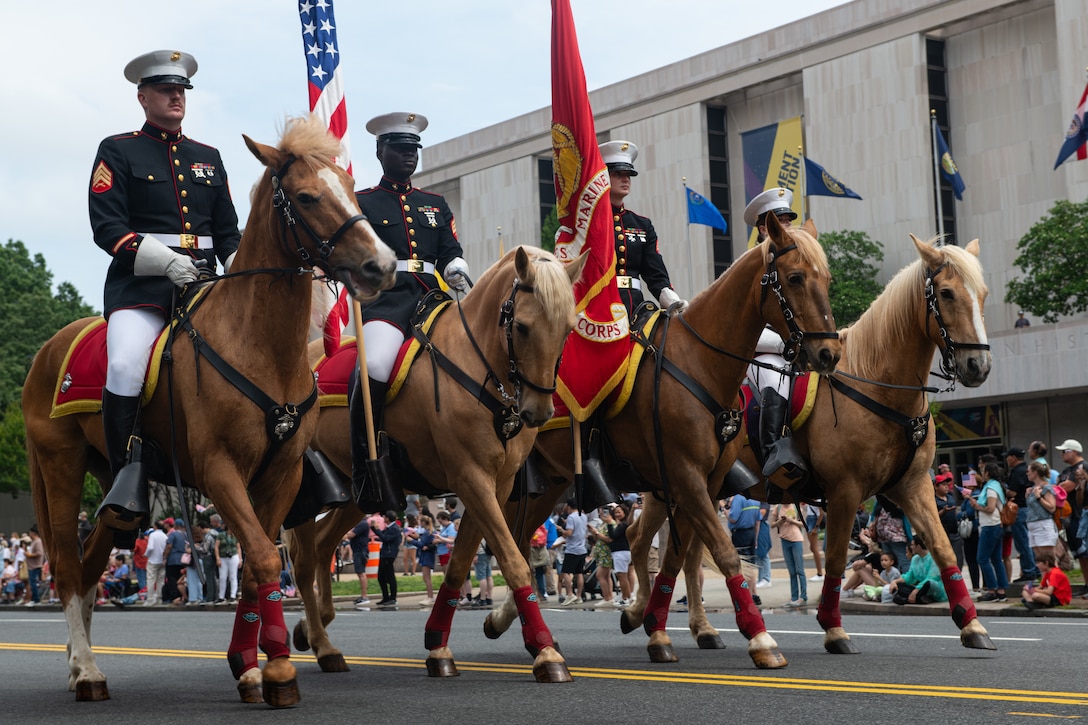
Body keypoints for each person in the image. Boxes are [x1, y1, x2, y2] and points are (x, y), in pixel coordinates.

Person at [90, 51, 241, 516]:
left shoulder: (208, 158)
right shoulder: (117, 150)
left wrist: (238, 271)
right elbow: (108, 228)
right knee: (124, 366)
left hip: (205, 286)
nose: (176, 96)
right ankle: (126, 479)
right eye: (165, 89)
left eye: (181, 90)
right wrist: (165, 262)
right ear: (143, 96)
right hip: (141, 290)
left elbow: (228, 233)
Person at [349, 113, 469, 497]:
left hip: (432, 298)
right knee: (375, 364)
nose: (408, 156)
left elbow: (450, 249)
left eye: (413, 149)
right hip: (386, 301)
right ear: (380, 151)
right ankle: (368, 462)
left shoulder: (434, 203)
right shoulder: (362, 202)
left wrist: (454, 267)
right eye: (400, 149)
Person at [743, 188, 806, 481]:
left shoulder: (796, 261)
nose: (787, 227)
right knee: (775, 378)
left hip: (798, 346)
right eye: (779, 221)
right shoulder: (750, 266)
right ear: (763, 228)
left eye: (788, 221)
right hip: (761, 351)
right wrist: (784, 344)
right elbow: (740, 324)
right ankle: (773, 453)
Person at [598, 140, 686, 317]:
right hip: (599, 307)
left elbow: (655, 273)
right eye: (618, 174)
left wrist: (671, 299)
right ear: (604, 177)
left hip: (636, 308)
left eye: (628, 174)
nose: (625, 179)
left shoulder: (642, 225)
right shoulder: (591, 222)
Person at [968, 462, 1009, 602]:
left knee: (982, 558)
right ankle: (1001, 591)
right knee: (997, 559)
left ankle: (992, 590)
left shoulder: (991, 487)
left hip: (990, 525)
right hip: (996, 525)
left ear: (988, 473)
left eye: (983, 471)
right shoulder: (996, 485)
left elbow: (990, 508)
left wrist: (976, 506)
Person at [1055, 440, 1088, 594]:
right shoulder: (1067, 470)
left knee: (1085, 551)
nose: (1062, 454)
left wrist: (1061, 485)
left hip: (1081, 514)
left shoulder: (1083, 467)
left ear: (1075, 451)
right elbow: (1059, 486)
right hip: (1070, 516)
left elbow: (1066, 487)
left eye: (1065, 451)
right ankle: (1086, 584)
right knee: (1079, 553)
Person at [1003, 446, 1039, 583]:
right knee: (1028, 541)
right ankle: (1034, 569)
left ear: (1014, 457)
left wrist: (1004, 490)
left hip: (1019, 509)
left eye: (1008, 456)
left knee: (1022, 542)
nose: (1007, 459)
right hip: (1027, 509)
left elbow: (1012, 492)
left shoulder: (1017, 472)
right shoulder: (1026, 469)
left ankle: (1029, 571)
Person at [884, 535, 947, 605]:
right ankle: (920, 599)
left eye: (912, 545)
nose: (911, 547)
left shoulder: (933, 558)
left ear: (918, 546)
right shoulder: (915, 559)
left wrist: (916, 590)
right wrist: (895, 581)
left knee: (929, 583)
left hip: (934, 589)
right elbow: (909, 576)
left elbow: (932, 578)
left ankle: (908, 599)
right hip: (920, 590)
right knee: (899, 586)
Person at [771, 503, 808, 608]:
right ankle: (794, 597)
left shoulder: (796, 507)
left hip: (796, 539)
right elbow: (772, 525)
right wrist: (780, 521)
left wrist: (791, 521)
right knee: (791, 571)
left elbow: (803, 524)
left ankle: (803, 596)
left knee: (799, 569)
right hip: (784, 539)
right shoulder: (778, 508)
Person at [1024, 461, 1059, 565]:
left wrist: (1039, 497)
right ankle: (1046, 581)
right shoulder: (1033, 488)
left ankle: (1056, 580)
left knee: (1049, 560)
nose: (1027, 473)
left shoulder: (1045, 487)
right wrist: (1028, 497)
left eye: (1028, 471)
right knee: (1040, 562)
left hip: (1043, 524)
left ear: (1035, 472)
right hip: (1032, 526)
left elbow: (1052, 507)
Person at [559, 500, 588, 605]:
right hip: (582, 548)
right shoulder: (583, 516)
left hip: (572, 549)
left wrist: (562, 530)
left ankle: (570, 594)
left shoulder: (571, 517)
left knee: (565, 572)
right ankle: (579, 596)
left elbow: (569, 533)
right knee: (579, 573)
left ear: (569, 506)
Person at [934, 472, 965, 572]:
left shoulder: (950, 497)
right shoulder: (933, 500)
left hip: (954, 532)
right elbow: (932, 517)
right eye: (943, 485)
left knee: (958, 558)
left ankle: (957, 575)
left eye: (947, 485)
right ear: (936, 486)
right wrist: (943, 512)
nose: (946, 487)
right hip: (942, 534)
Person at [587, 508, 615, 607]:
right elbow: (599, 537)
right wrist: (594, 532)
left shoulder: (611, 524)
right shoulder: (603, 524)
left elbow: (609, 539)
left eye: (604, 513)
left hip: (606, 553)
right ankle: (609, 597)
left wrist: (597, 533)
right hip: (602, 553)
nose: (601, 515)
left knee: (600, 575)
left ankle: (607, 597)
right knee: (606, 576)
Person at [343, 517, 372, 609]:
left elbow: (350, 535)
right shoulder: (361, 524)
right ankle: (363, 596)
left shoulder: (362, 524)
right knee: (360, 573)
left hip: (360, 551)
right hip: (358, 550)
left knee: (361, 573)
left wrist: (344, 533)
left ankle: (364, 596)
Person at [375, 511, 401, 607]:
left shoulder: (394, 528)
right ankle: (385, 596)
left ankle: (393, 598)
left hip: (389, 555)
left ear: (388, 518)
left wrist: (375, 529)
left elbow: (385, 538)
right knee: (381, 577)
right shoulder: (389, 528)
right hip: (384, 554)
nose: (383, 518)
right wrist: (375, 529)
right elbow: (382, 536)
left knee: (390, 576)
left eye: (385, 517)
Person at [162, 519, 189, 605]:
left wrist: (165, 557)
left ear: (175, 526)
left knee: (172, 579)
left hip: (173, 559)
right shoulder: (186, 535)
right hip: (183, 559)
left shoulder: (173, 534)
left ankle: (174, 596)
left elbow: (169, 546)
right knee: (181, 578)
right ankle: (182, 595)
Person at [143, 521, 168, 605]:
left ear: (155, 526)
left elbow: (150, 547)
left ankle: (150, 599)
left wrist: (146, 554)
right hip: (161, 560)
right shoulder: (165, 536)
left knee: (150, 579)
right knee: (160, 580)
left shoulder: (152, 535)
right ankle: (159, 598)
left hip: (153, 560)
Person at [416, 514, 438, 607]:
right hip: (426, 555)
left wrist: (412, 541)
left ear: (424, 523)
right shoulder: (428, 532)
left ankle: (430, 597)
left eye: (421, 521)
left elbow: (422, 544)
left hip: (427, 556)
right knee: (425, 577)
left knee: (427, 577)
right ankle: (429, 596)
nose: (419, 523)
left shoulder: (428, 533)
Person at [216, 519, 240, 603]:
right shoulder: (221, 535)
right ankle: (221, 596)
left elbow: (238, 547)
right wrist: (217, 558)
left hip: (233, 556)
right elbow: (216, 547)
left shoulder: (235, 536)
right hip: (223, 557)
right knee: (223, 577)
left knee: (233, 576)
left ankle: (233, 595)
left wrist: (240, 559)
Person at [24, 525, 45, 606]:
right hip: (32, 565)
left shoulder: (38, 542)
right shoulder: (34, 542)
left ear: (33, 533)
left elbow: (40, 553)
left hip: (35, 565)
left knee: (33, 583)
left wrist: (29, 555)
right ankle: (34, 599)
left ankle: (36, 600)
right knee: (32, 583)